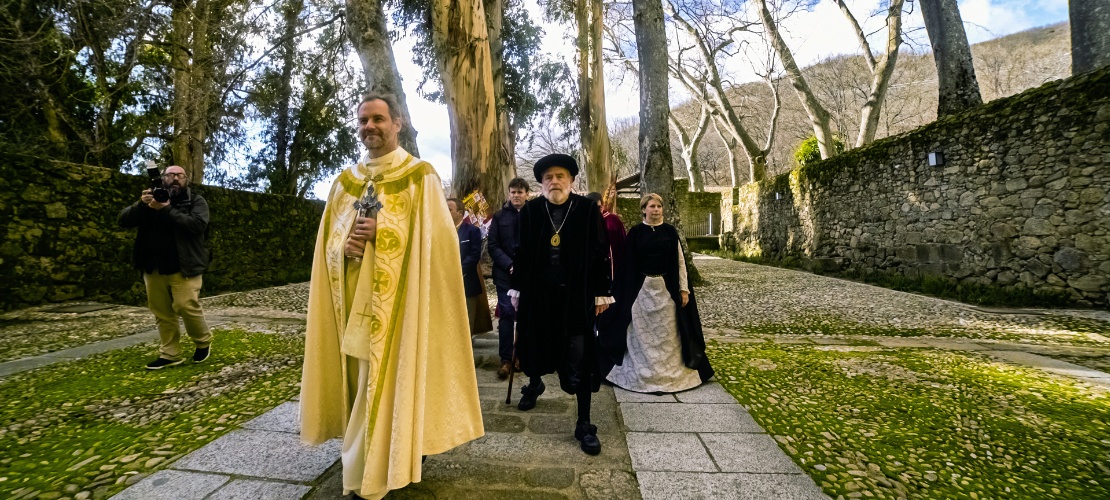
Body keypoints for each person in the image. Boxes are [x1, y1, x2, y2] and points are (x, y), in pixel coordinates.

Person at [299, 94, 484, 499]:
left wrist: (384, 235)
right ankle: (372, 459)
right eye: (363, 120)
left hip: (401, 309)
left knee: (384, 380)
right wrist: (344, 246)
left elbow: (440, 246)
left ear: (397, 124)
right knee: (358, 382)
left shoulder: (420, 177)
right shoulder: (345, 183)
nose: (370, 127)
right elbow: (328, 246)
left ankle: (370, 469)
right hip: (350, 302)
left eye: (378, 119)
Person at [510, 153, 612, 455]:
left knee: (580, 354)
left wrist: (602, 292)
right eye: (548, 178)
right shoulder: (529, 211)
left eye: (560, 177)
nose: (554, 182)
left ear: (572, 181)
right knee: (535, 344)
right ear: (541, 184)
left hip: (575, 296)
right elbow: (521, 252)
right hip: (538, 295)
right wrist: (516, 289)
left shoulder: (586, 209)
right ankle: (535, 384)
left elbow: (599, 251)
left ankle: (583, 422)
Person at [602, 193, 714, 393]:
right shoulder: (636, 233)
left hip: (666, 290)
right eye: (651, 206)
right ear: (643, 209)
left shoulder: (670, 232)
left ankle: (668, 374)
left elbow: (680, 262)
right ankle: (643, 373)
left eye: (658, 206)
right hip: (641, 291)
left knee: (668, 333)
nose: (655, 210)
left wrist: (683, 289)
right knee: (640, 333)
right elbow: (626, 265)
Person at [118, 165, 213, 370]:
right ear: (163, 179)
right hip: (153, 266)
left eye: (180, 175)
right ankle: (170, 354)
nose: (176, 178)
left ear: (186, 179)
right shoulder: (150, 200)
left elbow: (197, 226)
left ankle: (203, 341)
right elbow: (123, 220)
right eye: (171, 175)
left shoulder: (196, 201)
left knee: (185, 305)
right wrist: (141, 205)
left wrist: (166, 209)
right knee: (161, 312)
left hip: (185, 265)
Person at [487, 177, 529, 379]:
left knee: (524, 317)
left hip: (528, 276)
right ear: (509, 194)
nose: (516, 196)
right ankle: (505, 358)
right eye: (513, 192)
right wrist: (510, 265)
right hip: (505, 275)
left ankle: (520, 355)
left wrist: (524, 266)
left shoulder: (534, 215)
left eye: (520, 192)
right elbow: (493, 245)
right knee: (506, 315)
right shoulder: (499, 216)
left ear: (526, 194)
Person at [448, 197, 493, 335]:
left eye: (449, 209)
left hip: (467, 282)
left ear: (460, 213)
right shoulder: (440, 230)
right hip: (446, 284)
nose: (445, 212)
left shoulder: (472, 231)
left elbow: (474, 256)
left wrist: (457, 270)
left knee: (467, 321)